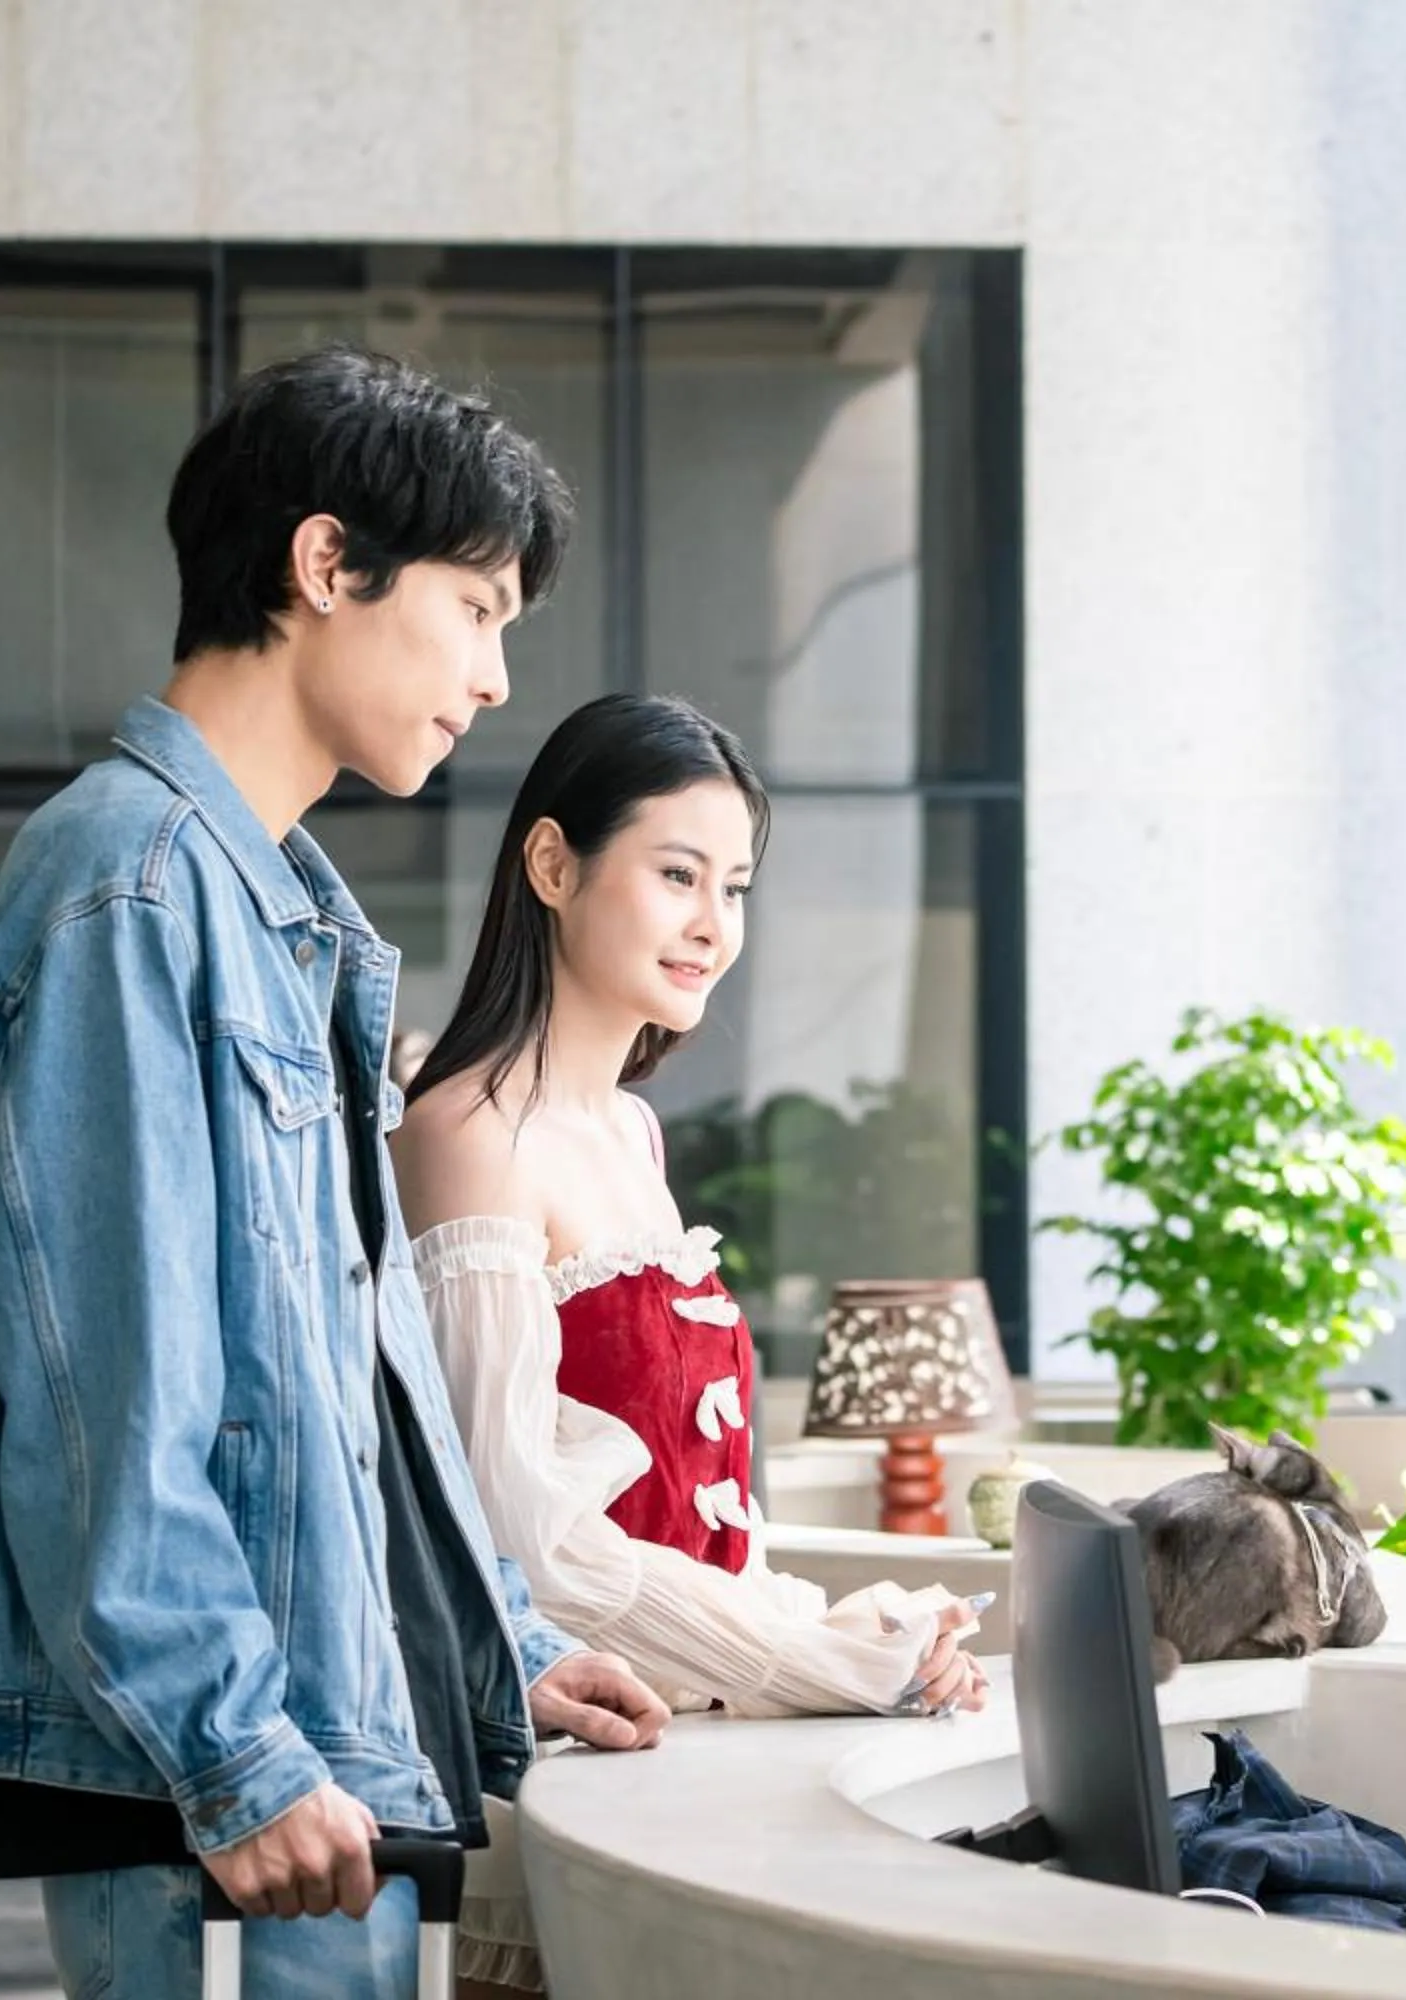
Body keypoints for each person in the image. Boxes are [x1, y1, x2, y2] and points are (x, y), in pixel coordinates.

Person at [0, 347, 672, 2000]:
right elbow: (103, 1387)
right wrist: (230, 1747)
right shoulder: (134, 886)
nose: (499, 676)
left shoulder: (274, 915)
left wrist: (506, 1649)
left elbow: (342, 1397)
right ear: (325, 567)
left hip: (312, 1747)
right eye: (477, 607)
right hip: (231, 1794)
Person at [392, 691, 991, 1993]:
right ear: (553, 864)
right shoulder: (464, 1131)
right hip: (556, 1783)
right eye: (676, 874)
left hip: (697, 1761)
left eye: (736, 886)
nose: (714, 925)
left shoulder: (632, 1134)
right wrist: (811, 1657)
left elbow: (693, 1511)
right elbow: (518, 1539)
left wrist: (857, 1637)